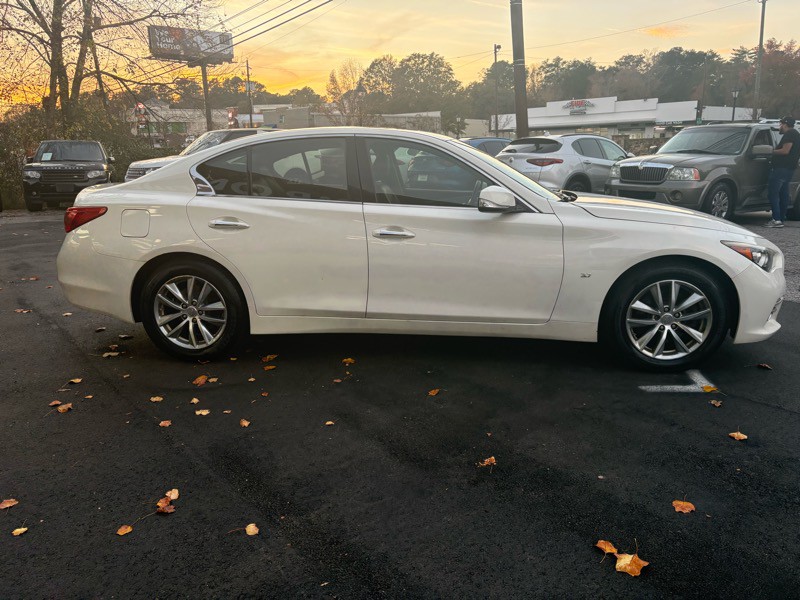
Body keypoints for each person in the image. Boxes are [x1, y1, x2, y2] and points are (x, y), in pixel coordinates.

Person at [764, 115, 800, 228]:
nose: (780, 126)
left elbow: (785, 150)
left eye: (781, 124)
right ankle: (781, 218)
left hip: (781, 168)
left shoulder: (790, 134)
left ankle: (776, 219)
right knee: (783, 193)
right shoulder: (796, 134)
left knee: (773, 193)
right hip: (789, 169)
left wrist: (771, 151)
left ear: (785, 124)